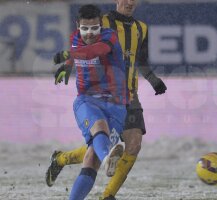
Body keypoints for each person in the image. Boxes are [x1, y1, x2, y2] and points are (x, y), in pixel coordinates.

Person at [46, 0, 167, 199]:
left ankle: (108, 194)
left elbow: (140, 60)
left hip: (128, 95)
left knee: (133, 144)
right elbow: (84, 46)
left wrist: (154, 80)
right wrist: (68, 64)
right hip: (99, 95)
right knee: (95, 151)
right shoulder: (101, 22)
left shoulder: (141, 28)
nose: (130, 2)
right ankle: (62, 159)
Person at [52, 4, 129, 200]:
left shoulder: (109, 37)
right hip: (86, 100)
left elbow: (94, 51)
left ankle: (103, 159)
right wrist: (68, 66)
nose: (89, 33)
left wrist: (69, 56)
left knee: (90, 159)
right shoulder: (75, 38)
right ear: (77, 25)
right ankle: (108, 159)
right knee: (99, 126)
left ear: (101, 25)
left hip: (117, 104)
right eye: (85, 29)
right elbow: (78, 51)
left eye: (94, 28)